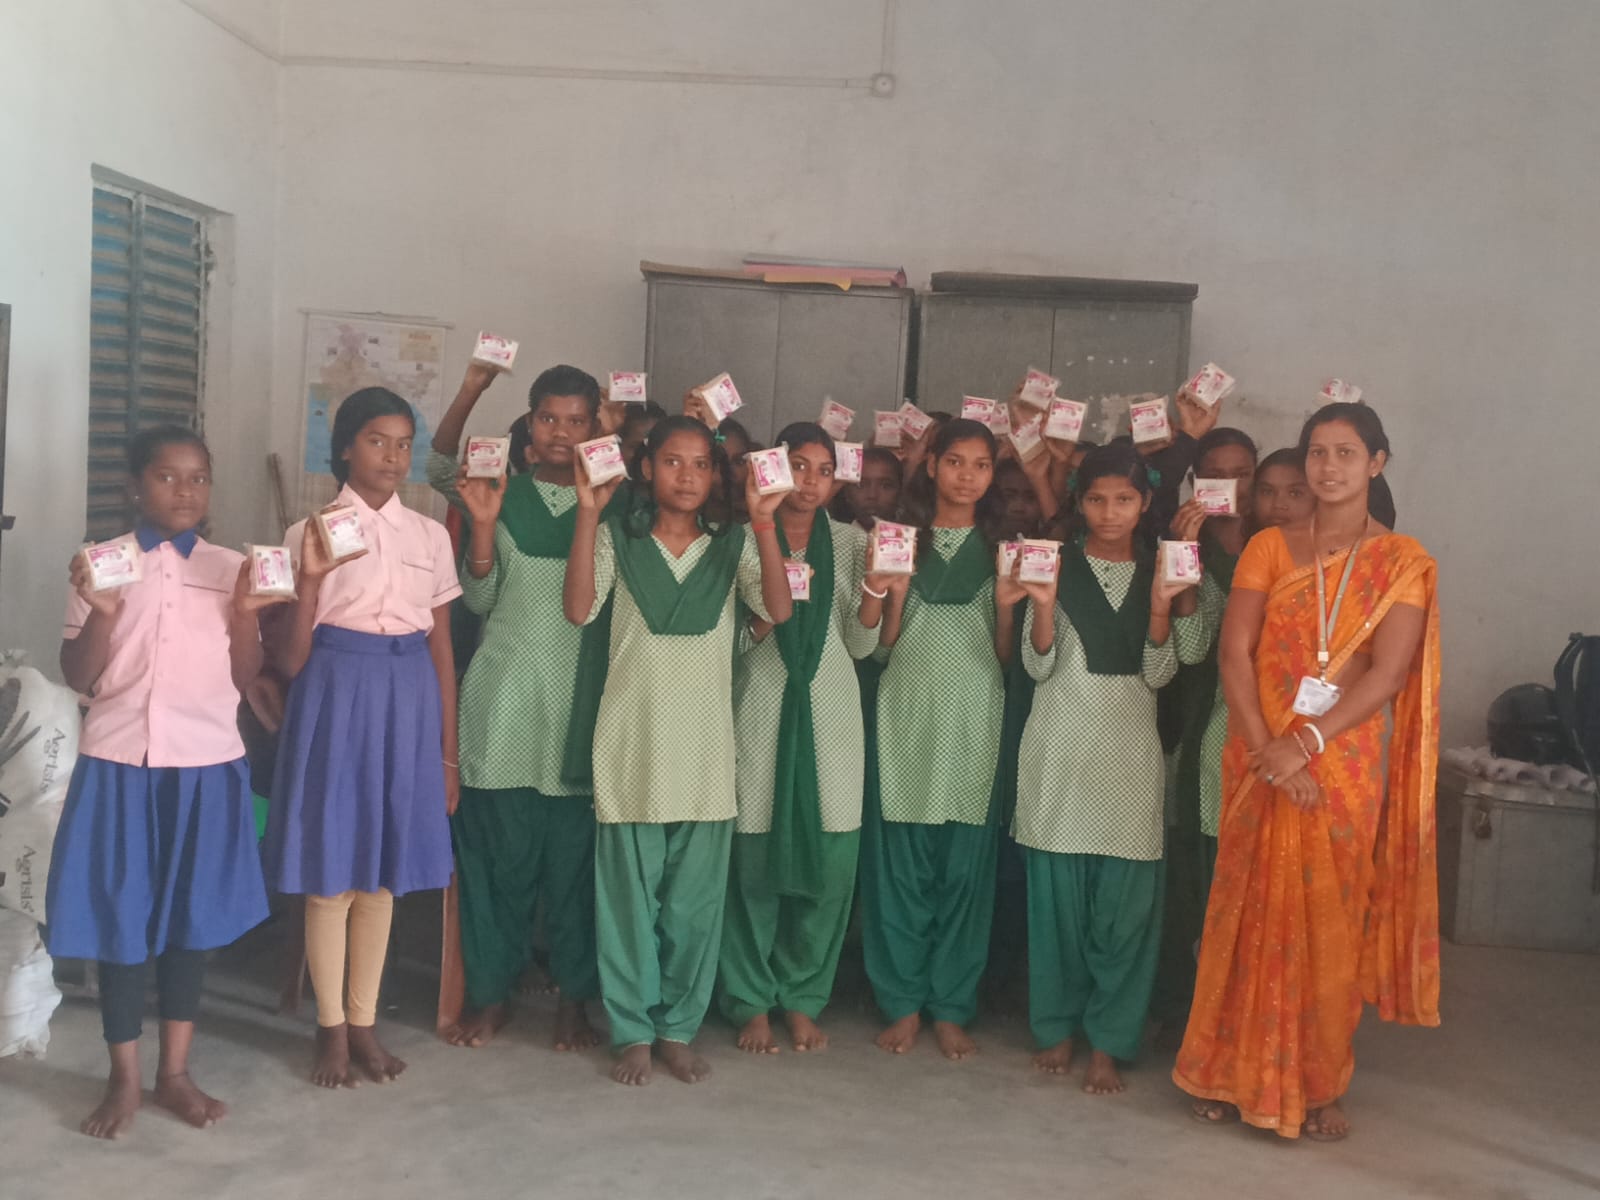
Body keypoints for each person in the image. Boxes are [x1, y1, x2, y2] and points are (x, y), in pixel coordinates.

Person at [1176, 402, 1440, 1141]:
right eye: (1318, 453)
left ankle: (1320, 1084)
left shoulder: (1402, 561)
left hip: (1341, 765)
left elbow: (1386, 675)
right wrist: (1268, 749)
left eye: (1346, 453)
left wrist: (1307, 746)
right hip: (1258, 755)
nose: (1328, 467)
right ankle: (1224, 1070)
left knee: (1329, 922)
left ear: (1377, 463)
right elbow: (1236, 653)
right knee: (1241, 911)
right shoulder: (1268, 548)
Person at [46, 426, 277, 1139]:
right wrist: (105, 616)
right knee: (121, 922)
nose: (186, 491)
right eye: (169, 477)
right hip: (120, 765)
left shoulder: (232, 568)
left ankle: (174, 1073)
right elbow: (79, 677)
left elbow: (244, 676)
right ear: (135, 486)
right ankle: (123, 1078)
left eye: (198, 478)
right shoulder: (102, 565)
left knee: (190, 922)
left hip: (205, 766)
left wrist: (244, 613)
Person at [564, 415, 793, 1086]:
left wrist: (766, 524)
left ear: (717, 474)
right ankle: (632, 1029)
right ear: (645, 468)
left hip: (703, 754)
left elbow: (778, 609)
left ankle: (676, 1027)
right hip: (631, 746)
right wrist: (585, 513)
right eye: (672, 462)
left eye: (700, 463)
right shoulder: (617, 538)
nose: (687, 475)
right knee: (628, 903)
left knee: (693, 907)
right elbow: (578, 609)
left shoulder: (733, 546)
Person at [265, 387, 462, 1089]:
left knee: (382, 879)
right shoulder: (306, 532)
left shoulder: (430, 535)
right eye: (378, 441)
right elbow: (288, 654)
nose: (394, 456)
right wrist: (313, 581)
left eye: (405, 443)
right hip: (334, 690)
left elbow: (442, 650)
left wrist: (446, 751)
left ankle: (365, 1022)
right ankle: (330, 1031)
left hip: (407, 694)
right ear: (345, 446)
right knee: (332, 876)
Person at [426, 362, 612, 1050]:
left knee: (573, 871)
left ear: (598, 428)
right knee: (495, 866)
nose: (562, 433)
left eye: (577, 421)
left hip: (581, 708)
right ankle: (491, 993)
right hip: (502, 703)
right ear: (529, 424)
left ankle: (573, 1002)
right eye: (548, 419)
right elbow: (478, 600)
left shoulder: (615, 502)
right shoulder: (499, 491)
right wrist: (471, 385)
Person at [1009, 444, 1196, 1094]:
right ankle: (1057, 1027)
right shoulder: (1052, 563)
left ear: (1145, 503)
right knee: (1056, 907)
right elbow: (1035, 669)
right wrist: (1038, 604)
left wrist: (1162, 605)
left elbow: (1161, 672)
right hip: (1059, 748)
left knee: (1124, 914)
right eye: (1095, 499)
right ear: (1078, 502)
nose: (1109, 511)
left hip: (1127, 757)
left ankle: (1110, 1042)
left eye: (1122, 499)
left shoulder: (1160, 571)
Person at [718, 423, 878, 1054]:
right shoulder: (737, 541)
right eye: (799, 467)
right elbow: (725, 644)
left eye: (823, 470)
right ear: (771, 470)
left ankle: (804, 996)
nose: (810, 483)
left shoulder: (855, 542)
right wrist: (763, 620)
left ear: (839, 478)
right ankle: (751, 999)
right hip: (759, 704)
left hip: (832, 712)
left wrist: (877, 593)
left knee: (832, 860)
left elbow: (864, 645)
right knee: (753, 860)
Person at [860, 418, 1013, 1061]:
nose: (967, 476)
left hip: (976, 719)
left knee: (964, 876)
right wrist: (891, 597)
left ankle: (952, 1005)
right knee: (899, 870)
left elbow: (1006, 659)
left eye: (980, 465)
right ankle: (903, 1003)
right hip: (904, 716)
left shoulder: (1006, 546)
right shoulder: (899, 539)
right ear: (932, 466)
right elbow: (881, 645)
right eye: (955, 462)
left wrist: (1007, 604)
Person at [1152, 428, 1259, 1035]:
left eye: (1242, 473)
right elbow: (1188, 652)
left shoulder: (1272, 550)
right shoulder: (1181, 542)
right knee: (1186, 874)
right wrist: (1183, 549)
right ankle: (1182, 1019)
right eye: (1215, 474)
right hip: (1186, 721)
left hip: (1244, 730)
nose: (1231, 487)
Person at [830, 446, 902, 530]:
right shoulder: (831, 537)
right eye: (860, 485)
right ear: (847, 493)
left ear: (900, 492)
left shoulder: (915, 539)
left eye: (885, 486)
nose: (872, 495)